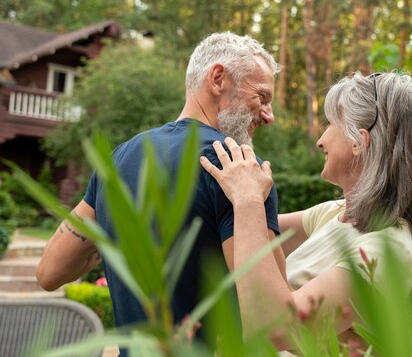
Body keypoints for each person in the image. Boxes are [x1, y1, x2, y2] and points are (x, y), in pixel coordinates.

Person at [36, 32, 285, 349]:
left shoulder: (120, 159)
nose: (269, 116)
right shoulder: (240, 172)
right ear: (218, 78)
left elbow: (49, 271)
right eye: (261, 97)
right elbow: (275, 319)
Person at [201, 71, 412, 352]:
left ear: (359, 142)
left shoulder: (390, 249)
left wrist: (249, 201)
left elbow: (275, 328)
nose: (320, 140)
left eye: (332, 123)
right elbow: (247, 237)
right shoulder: (337, 214)